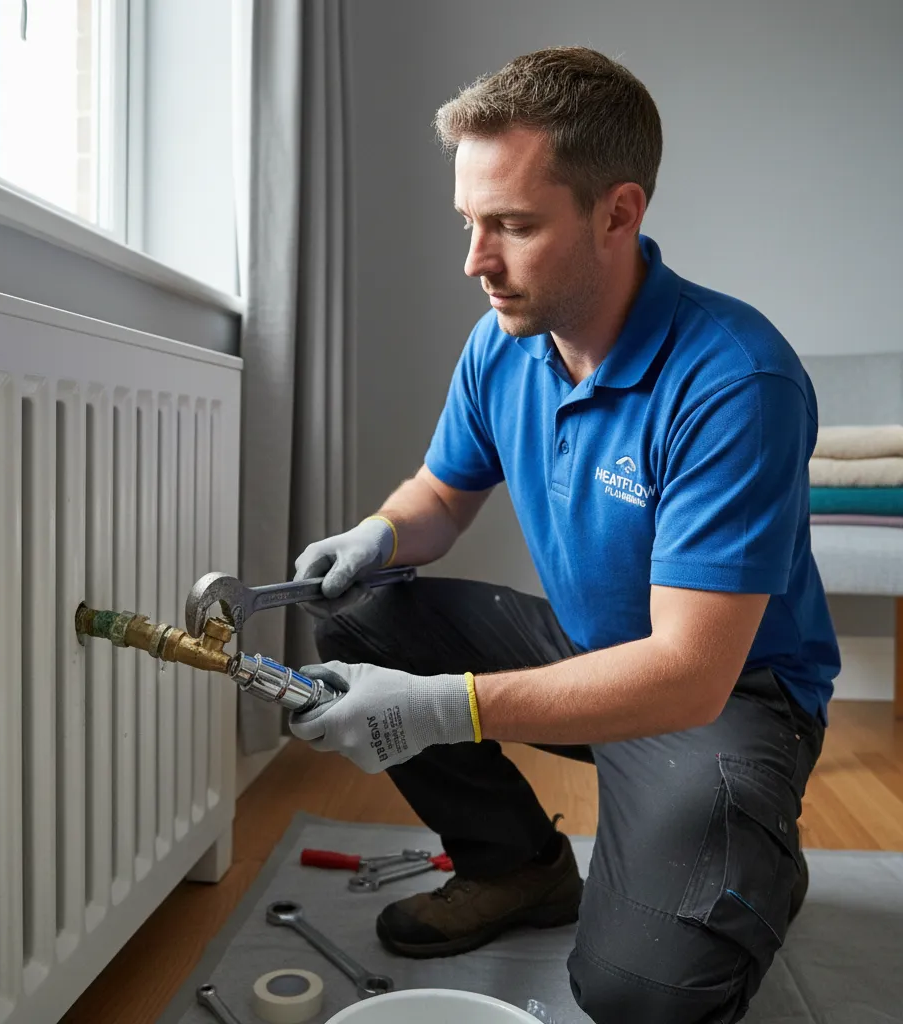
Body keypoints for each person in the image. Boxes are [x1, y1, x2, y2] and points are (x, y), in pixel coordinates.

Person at [288, 46, 840, 1024]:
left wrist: (434, 709)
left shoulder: (733, 381)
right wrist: (376, 534)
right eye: (468, 222)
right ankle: (520, 870)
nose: (474, 261)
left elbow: (687, 676)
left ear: (617, 213)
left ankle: (753, 854)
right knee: (366, 616)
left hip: (728, 700)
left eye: (511, 225)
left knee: (638, 994)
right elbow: (441, 497)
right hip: (596, 653)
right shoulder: (504, 341)